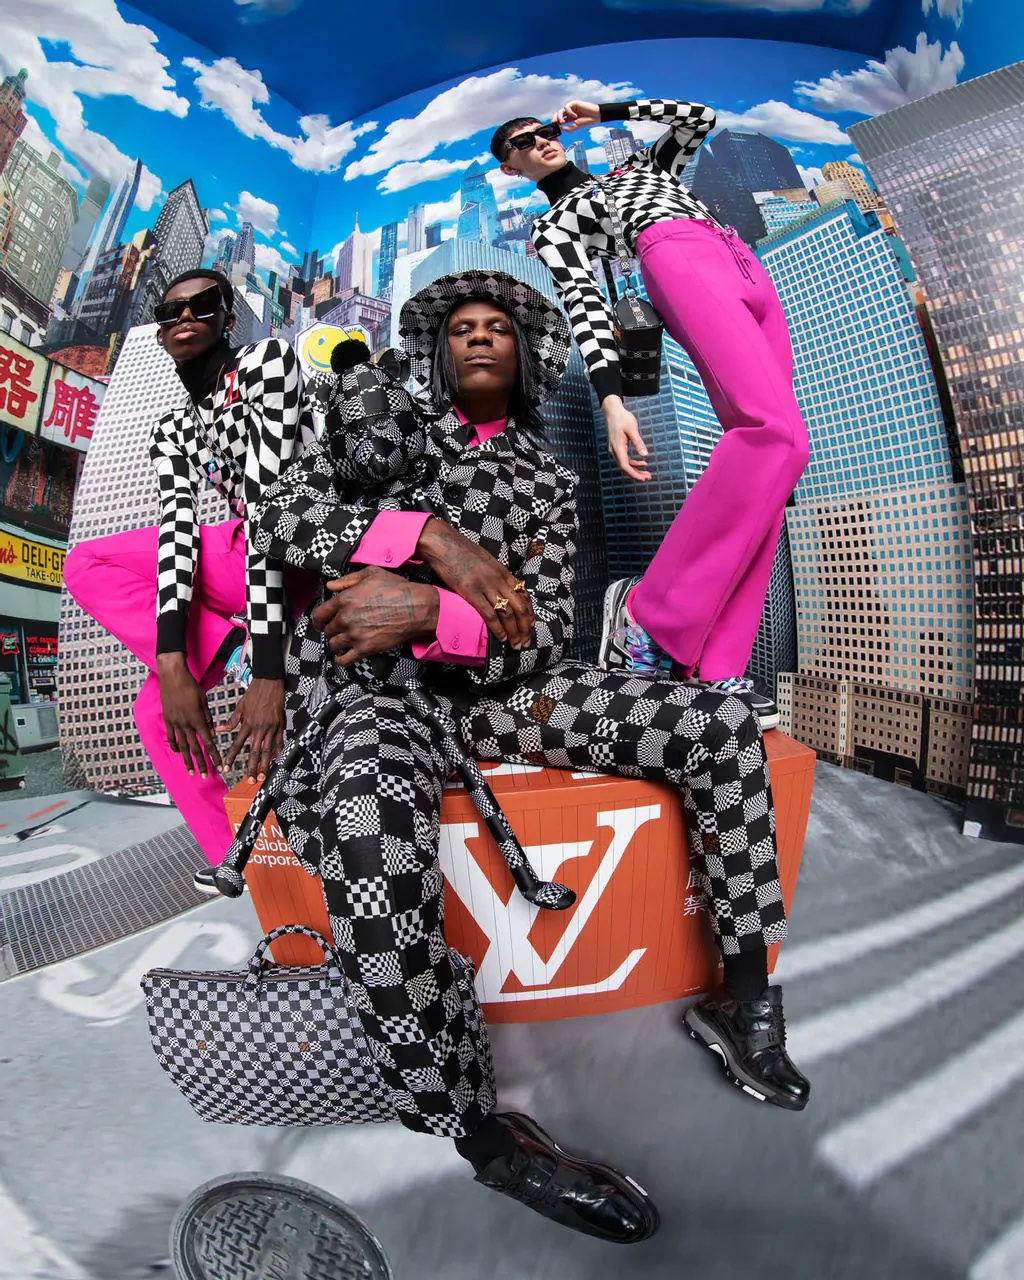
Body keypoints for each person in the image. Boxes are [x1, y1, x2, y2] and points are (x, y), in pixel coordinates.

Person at [249, 270, 810, 1243]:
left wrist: (429, 609)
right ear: (434, 351)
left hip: (498, 690)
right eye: (459, 326)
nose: (477, 337)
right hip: (373, 694)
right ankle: (485, 1136)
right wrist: (432, 537)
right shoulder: (378, 423)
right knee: (368, 844)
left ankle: (746, 998)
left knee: (718, 726)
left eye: (497, 329)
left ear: (525, 357)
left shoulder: (545, 479)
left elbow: (543, 629)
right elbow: (282, 520)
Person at [492, 99, 810, 730]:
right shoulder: (555, 224)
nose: (540, 141)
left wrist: (604, 112)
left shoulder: (641, 166)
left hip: (745, 267)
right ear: (510, 168)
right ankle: (649, 613)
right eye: (522, 143)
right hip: (676, 255)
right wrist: (612, 402)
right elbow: (586, 305)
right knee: (773, 438)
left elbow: (699, 120)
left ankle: (717, 669)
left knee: (777, 475)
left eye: (544, 131)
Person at [63, 269, 314, 895]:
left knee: (244, 533)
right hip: (246, 553)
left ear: (227, 317)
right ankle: (243, 861)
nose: (184, 317)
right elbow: (178, 535)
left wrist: (267, 671)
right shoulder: (172, 429)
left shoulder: (264, 363)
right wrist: (171, 662)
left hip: (313, 549)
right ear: (158, 329)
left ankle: (233, 646)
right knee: (153, 706)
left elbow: (270, 513)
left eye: (202, 306)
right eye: (170, 310)